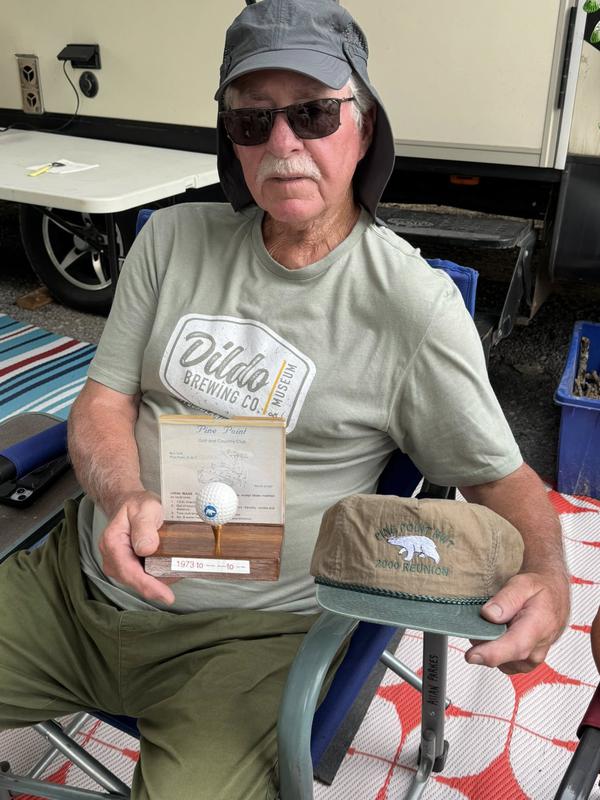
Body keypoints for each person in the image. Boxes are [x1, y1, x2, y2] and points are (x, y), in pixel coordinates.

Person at [0, 1, 570, 798]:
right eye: (252, 119)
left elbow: (499, 479)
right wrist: (122, 492)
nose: (282, 142)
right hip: (77, 585)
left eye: (312, 113)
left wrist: (549, 572)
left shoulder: (412, 309)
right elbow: (103, 403)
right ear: (230, 139)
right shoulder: (169, 242)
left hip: (249, 644)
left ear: (364, 129)